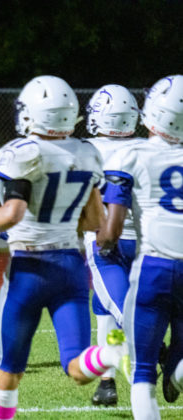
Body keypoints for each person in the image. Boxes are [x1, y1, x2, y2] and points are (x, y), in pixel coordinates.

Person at [0, 75, 128, 420]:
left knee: (10, 369)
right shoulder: (87, 153)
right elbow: (96, 220)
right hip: (69, 267)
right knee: (76, 365)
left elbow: (14, 212)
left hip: (28, 269)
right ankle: (111, 355)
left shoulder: (23, 152)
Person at [97, 74, 183, 420]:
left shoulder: (128, 155)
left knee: (143, 372)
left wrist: (101, 243)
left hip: (154, 269)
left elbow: (113, 228)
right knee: (176, 363)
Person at [83, 84, 144, 406]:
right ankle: (106, 381)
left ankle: (146, 363)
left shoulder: (85, 148)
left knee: (122, 310)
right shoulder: (148, 147)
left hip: (107, 241)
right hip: (148, 241)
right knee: (103, 304)